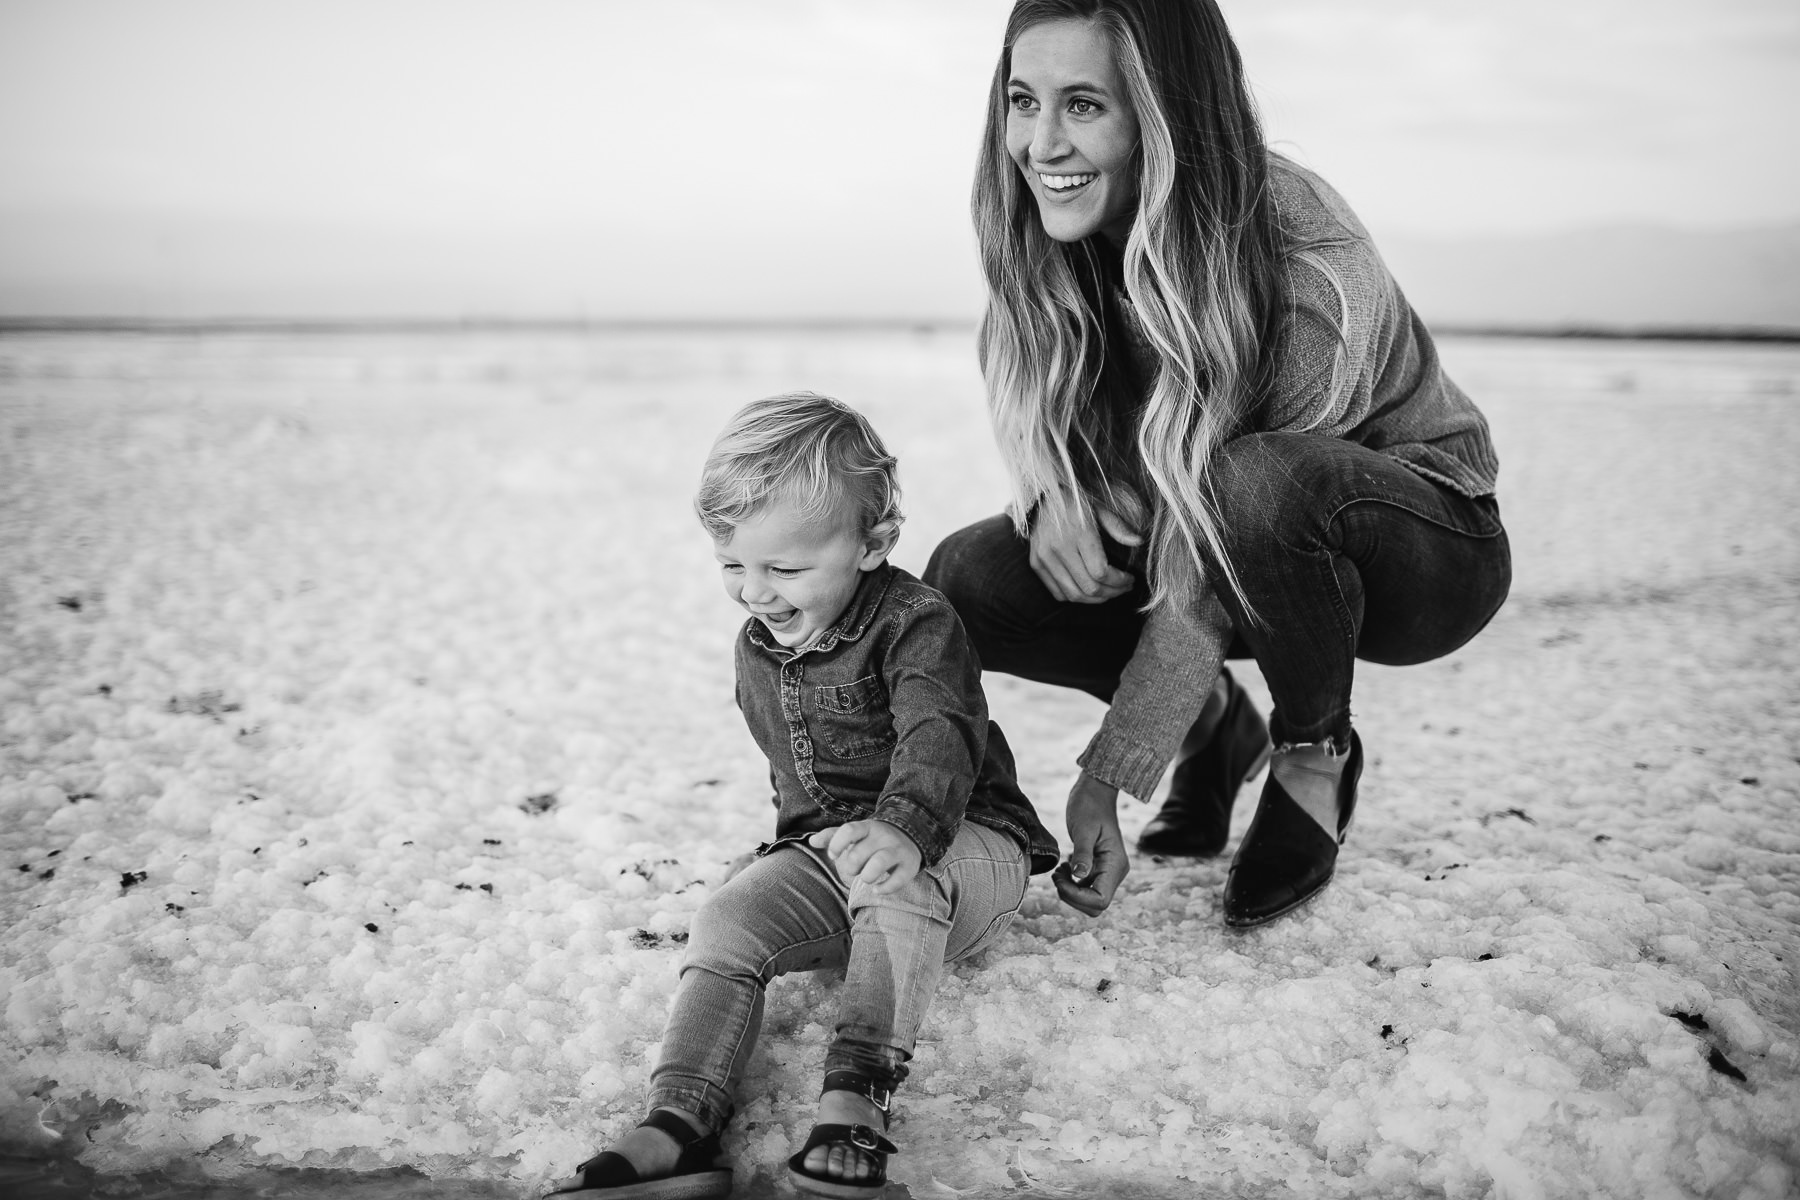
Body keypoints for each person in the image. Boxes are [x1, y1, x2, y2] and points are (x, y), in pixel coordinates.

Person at [924, 0, 1512, 929]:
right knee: (972, 575)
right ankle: (1216, 730)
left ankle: (1314, 752)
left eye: (1084, 105)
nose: (1040, 144)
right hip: (1208, 532)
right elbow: (1046, 413)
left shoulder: (1307, 259)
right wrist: (1054, 491)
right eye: (1022, 100)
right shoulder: (1047, 238)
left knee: (1258, 484)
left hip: (1419, 547)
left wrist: (1108, 776)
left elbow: (1211, 548)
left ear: (1167, 113)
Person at [547, 392, 1058, 1199]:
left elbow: (942, 738)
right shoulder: (759, 641)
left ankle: (857, 1097)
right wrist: (797, 862)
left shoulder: (919, 623)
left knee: (900, 880)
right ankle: (680, 1120)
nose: (755, 592)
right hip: (843, 851)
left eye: (785, 568)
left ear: (873, 543)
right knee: (726, 917)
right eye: (731, 565)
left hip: (969, 846)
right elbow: (799, 776)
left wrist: (904, 829)